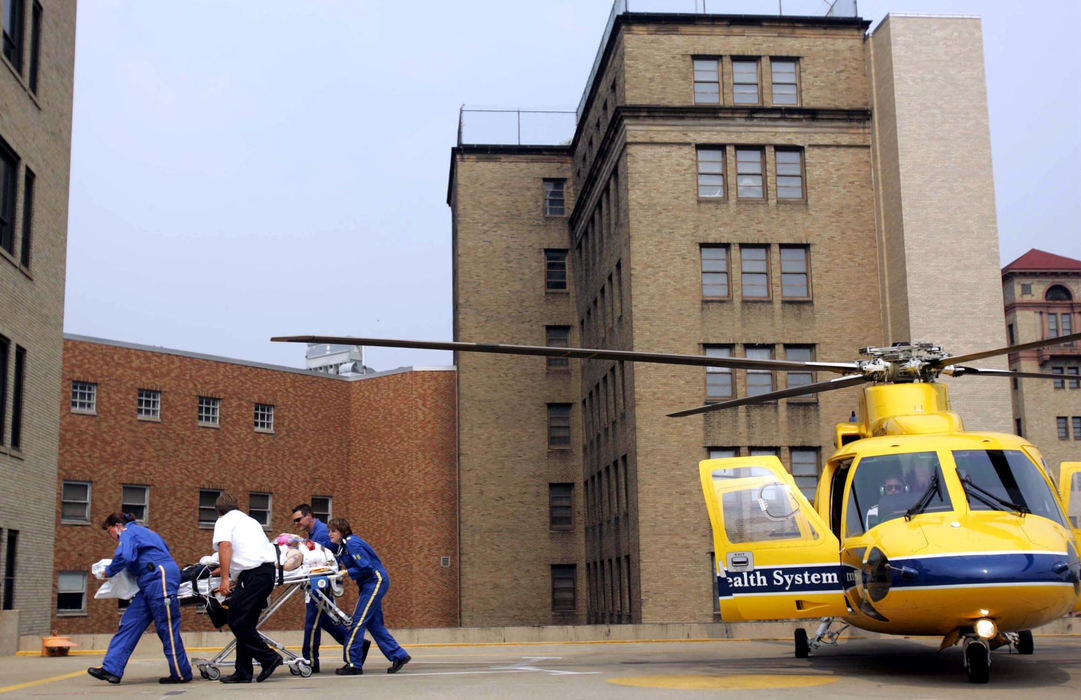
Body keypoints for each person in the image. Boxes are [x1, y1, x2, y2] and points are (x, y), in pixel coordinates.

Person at [87, 513, 192, 685]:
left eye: (109, 532)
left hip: (159, 578)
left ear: (117, 526)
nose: (111, 537)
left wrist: (108, 571)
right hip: (150, 582)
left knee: (166, 626)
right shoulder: (147, 532)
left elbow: (124, 556)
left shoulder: (128, 533)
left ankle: (181, 673)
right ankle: (111, 669)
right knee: (130, 621)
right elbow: (164, 550)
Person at [212, 492, 284, 683]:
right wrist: (228, 570)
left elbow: (225, 546)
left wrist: (225, 579)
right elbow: (245, 550)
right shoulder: (249, 521)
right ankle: (243, 672)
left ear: (218, 511)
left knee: (236, 620)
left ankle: (269, 658)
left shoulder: (224, 521)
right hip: (266, 573)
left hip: (253, 575)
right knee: (246, 622)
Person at [327, 517, 411, 675]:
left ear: (342, 531)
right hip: (369, 584)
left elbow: (365, 566)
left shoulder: (352, 543)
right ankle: (399, 655)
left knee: (357, 622)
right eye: (329, 531)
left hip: (375, 581)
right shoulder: (344, 546)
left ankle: (353, 664)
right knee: (374, 624)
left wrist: (347, 572)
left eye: (333, 531)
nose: (330, 534)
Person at [290, 503, 364, 672]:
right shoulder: (314, 533)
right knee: (324, 620)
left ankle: (310, 661)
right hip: (317, 581)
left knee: (312, 622)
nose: (297, 523)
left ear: (309, 516)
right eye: (295, 521)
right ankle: (356, 644)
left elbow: (328, 558)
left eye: (299, 519)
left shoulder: (322, 532)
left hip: (321, 582)